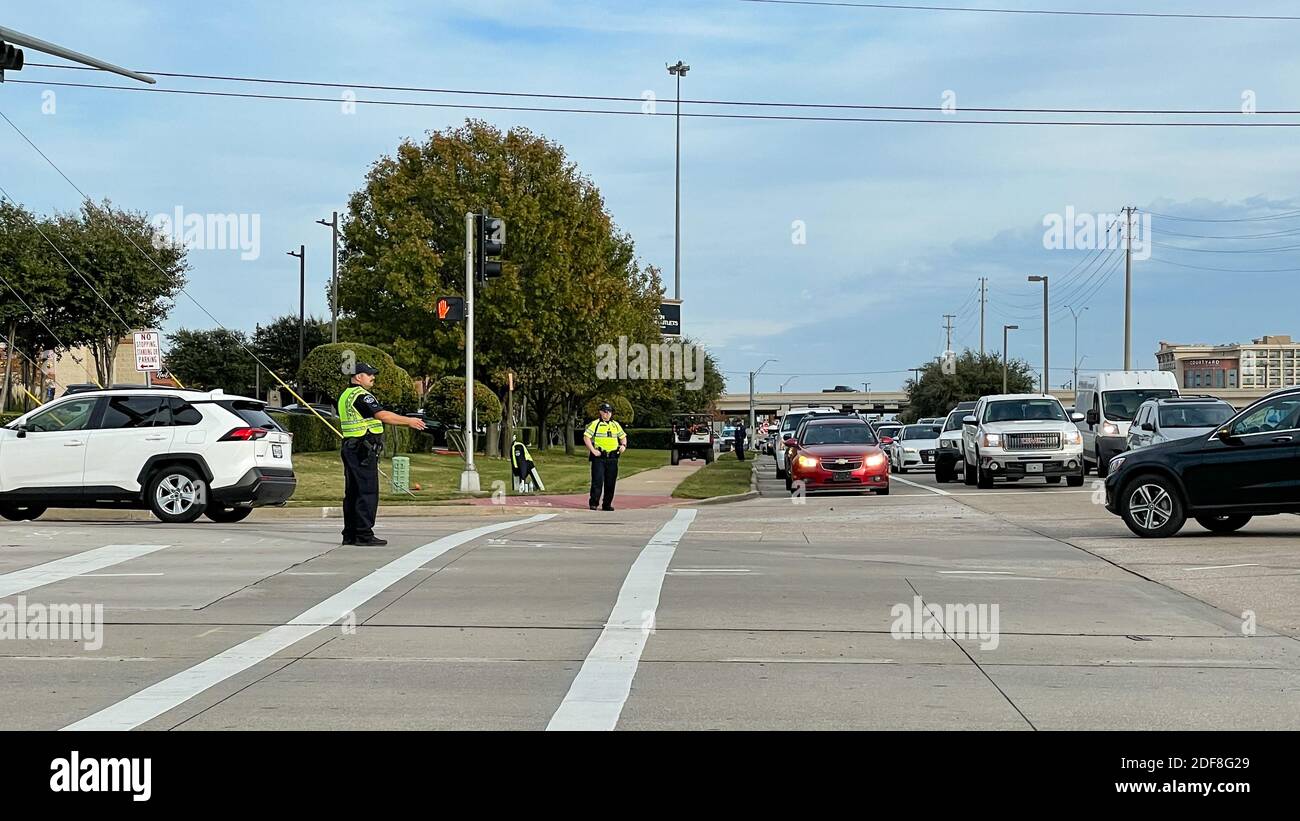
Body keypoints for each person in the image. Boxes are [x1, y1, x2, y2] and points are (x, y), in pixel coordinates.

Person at [337, 362, 426, 546]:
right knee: (367, 491)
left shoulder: (345, 394)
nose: (373, 377)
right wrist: (408, 421)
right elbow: (383, 415)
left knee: (353, 492)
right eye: (369, 374)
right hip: (362, 449)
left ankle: (350, 534)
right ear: (358, 377)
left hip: (351, 447)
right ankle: (363, 534)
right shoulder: (362, 396)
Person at [583, 402, 627, 511]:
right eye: (605, 412)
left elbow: (623, 437)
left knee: (610, 482)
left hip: (612, 457)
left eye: (609, 412)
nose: (607, 414)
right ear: (601, 412)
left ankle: (607, 504)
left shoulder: (615, 425)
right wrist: (592, 450)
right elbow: (586, 437)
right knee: (597, 481)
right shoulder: (596, 424)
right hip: (600, 457)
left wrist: (623, 446)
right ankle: (594, 503)